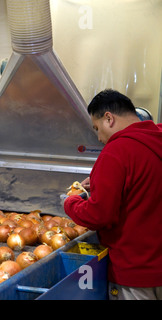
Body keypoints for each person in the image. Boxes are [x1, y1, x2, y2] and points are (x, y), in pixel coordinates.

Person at [63, 89, 162, 300]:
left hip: (135, 273)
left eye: (97, 128)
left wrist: (71, 202)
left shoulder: (117, 151)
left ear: (109, 118)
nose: (99, 138)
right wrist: (104, 182)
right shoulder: (156, 139)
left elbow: (99, 216)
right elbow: (143, 187)